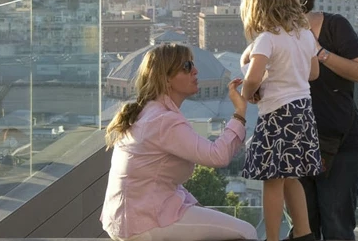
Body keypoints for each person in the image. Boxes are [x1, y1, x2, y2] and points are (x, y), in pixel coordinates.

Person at [101, 43, 257, 241]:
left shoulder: (150, 112)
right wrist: (240, 114)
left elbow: (157, 178)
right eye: (187, 66)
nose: (195, 70)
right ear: (166, 79)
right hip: (145, 221)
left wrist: (194, 205)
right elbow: (218, 155)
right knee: (247, 232)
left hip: (129, 218)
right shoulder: (163, 121)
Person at [273, 0, 358, 241]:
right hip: (295, 145)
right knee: (304, 229)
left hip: (340, 145)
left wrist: (319, 51)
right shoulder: (273, 38)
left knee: (337, 225)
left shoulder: (334, 25)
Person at [239, 0, 321, 241]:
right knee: (292, 177)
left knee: (273, 180)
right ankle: (304, 232)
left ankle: (272, 237)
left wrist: (249, 94)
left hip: (277, 114)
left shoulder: (267, 39)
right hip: (303, 112)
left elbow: (252, 77)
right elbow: (313, 74)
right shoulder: (304, 35)